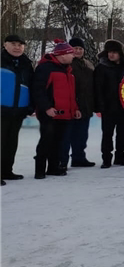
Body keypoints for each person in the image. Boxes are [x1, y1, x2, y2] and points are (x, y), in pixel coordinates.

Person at [32, 40, 80, 179]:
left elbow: (71, 94)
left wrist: (75, 109)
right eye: (71, 53)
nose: (73, 55)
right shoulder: (46, 68)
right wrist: (46, 107)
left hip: (64, 114)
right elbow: (38, 90)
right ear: (63, 55)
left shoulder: (68, 70)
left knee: (58, 142)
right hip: (50, 113)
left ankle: (53, 167)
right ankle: (39, 169)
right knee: (46, 141)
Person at [1, 34, 34, 184]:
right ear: (5, 45)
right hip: (2, 108)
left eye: (20, 45)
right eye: (13, 44)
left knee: (11, 142)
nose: (17, 47)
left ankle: (7, 171)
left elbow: (32, 86)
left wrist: (30, 105)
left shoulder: (26, 64)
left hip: (18, 110)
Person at [94, 39, 124, 168]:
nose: (111, 55)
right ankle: (106, 158)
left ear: (120, 53)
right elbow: (97, 88)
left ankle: (120, 156)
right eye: (109, 52)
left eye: (114, 52)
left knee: (123, 133)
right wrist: (100, 105)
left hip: (123, 106)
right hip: (108, 107)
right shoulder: (101, 67)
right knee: (107, 134)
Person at [60, 37, 95, 170]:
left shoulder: (88, 64)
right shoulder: (67, 65)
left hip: (86, 105)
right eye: (75, 48)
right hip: (71, 105)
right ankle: (62, 160)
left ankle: (79, 157)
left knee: (82, 135)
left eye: (80, 48)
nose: (78, 51)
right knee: (67, 135)